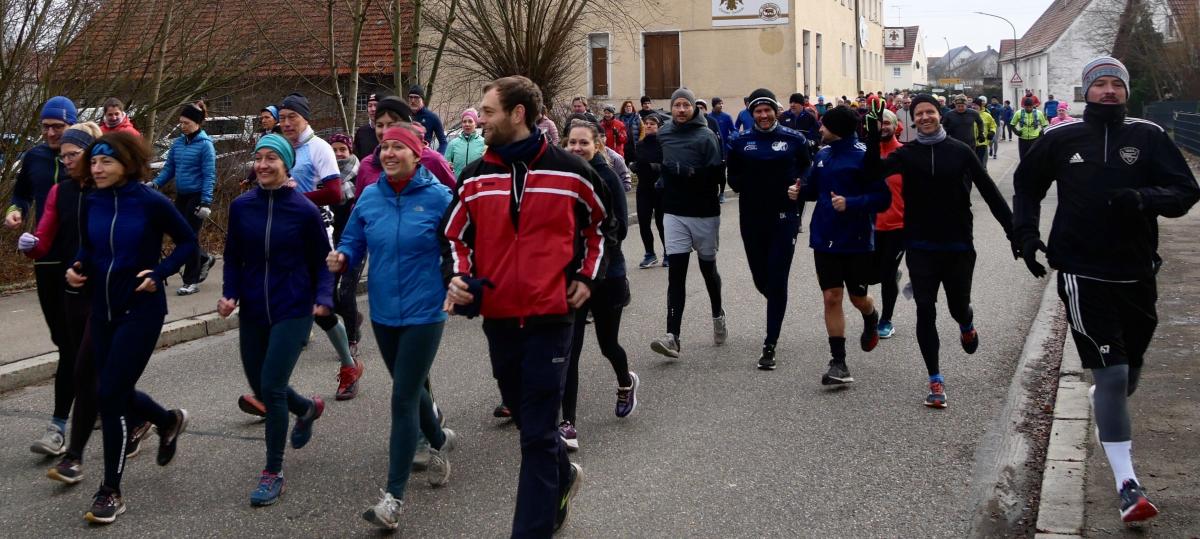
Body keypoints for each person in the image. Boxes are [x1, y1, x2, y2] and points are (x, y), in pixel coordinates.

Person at [1012, 56, 1200, 524]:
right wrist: (1027, 236)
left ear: (1127, 91)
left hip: (1137, 270)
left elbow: (1185, 191)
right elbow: (1026, 187)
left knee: (1128, 372)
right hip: (1080, 268)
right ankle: (1128, 487)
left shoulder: (1149, 137)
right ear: (1086, 91)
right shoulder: (1060, 138)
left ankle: (1110, 402)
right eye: (1101, 84)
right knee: (1112, 375)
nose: (1110, 91)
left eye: (1117, 84)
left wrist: (1144, 198)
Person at [443, 75, 614, 537]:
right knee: (526, 420)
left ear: (518, 114)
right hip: (498, 316)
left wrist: (586, 277)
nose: (480, 119)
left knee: (538, 432)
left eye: (489, 112)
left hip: (551, 315)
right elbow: (454, 236)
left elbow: (601, 229)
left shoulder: (573, 172)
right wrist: (459, 278)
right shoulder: (476, 177)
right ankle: (562, 476)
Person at [328, 126, 457, 529]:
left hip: (425, 310)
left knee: (401, 398)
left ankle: (393, 500)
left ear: (417, 155)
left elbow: (457, 247)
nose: (388, 153)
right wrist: (343, 257)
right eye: (384, 147)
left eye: (398, 147)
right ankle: (439, 440)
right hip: (384, 311)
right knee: (413, 388)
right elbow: (353, 240)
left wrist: (457, 281)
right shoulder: (370, 196)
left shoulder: (439, 198)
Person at [67, 131, 194, 524]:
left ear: (126, 163)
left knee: (110, 395)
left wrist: (160, 272)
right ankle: (166, 419)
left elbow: (189, 243)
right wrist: (77, 267)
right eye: (94, 161)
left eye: (106, 161)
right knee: (111, 389)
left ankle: (110, 491)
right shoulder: (93, 200)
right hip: (102, 310)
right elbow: (89, 248)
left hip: (141, 310)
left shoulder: (151, 202)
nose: (97, 168)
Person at [22, 122, 152, 483]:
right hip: (74, 290)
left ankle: (76, 452)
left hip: (111, 294)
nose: (66, 161)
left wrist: (153, 273)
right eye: (62, 156)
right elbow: (50, 239)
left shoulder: (116, 192)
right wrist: (33, 246)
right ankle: (152, 419)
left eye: (73, 155)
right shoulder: (62, 192)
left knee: (91, 373)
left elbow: (151, 241)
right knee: (89, 370)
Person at [871, 94, 1016, 408]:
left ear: (940, 115)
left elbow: (989, 191)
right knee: (925, 308)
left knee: (957, 306)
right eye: (919, 113)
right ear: (913, 120)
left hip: (958, 244)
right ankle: (935, 380)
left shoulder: (961, 152)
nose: (925, 117)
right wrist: (871, 136)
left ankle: (966, 323)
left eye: (930, 112)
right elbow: (871, 174)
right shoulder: (907, 155)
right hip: (920, 245)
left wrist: (1014, 230)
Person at [219, 133, 331, 506]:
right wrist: (230, 293)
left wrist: (323, 298)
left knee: (271, 382)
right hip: (253, 307)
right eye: (259, 158)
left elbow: (322, 262)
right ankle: (307, 408)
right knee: (264, 385)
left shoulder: (303, 210)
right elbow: (232, 256)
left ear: (286, 165)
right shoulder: (241, 207)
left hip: (294, 307)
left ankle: (273, 470)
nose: (263, 165)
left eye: (272, 159)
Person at [791, 105, 889, 384]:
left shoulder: (864, 157)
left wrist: (852, 203)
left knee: (858, 299)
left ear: (836, 129)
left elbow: (882, 200)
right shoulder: (821, 155)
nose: (819, 129)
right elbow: (812, 191)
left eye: (824, 125)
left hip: (856, 241)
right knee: (831, 297)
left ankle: (871, 316)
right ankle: (839, 363)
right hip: (824, 238)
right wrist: (797, 191)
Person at [558, 119, 639, 452]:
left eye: (583, 143)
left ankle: (625, 381)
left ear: (598, 146)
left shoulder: (606, 179)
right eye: (571, 143)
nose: (577, 149)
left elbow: (617, 231)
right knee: (569, 351)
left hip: (606, 275)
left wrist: (589, 255)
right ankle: (568, 423)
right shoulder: (562, 180)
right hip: (570, 277)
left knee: (608, 344)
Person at [274, 93, 362, 398]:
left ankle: (349, 366)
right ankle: (271, 388)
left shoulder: (319, 148)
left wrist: (294, 198)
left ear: (305, 118)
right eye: (282, 117)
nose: (285, 123)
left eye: (291, 117)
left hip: (314, 233)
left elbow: (334, 193)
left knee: (319, 310)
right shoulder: (282, 147)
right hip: (282, 236)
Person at [7, 96, 78, 456]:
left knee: (74, 345)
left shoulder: (84, 160)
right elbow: (20, 193)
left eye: (58, 127)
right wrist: (16, 211)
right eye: (46, 127)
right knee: (63, 340)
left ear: (72, 126)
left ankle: (59, 426)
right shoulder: (34, 157)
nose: (51, 133)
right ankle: (132, 412)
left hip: (81, 262)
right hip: (45, 258)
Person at [726, 89, 811, 370]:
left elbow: (808, 170)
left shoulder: (793, 139)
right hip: (751, 217)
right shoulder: (740, 141)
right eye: (758, 112)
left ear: (776, 111)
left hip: (784, 217)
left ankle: (770, 343)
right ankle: (775, 299)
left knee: (777, 279)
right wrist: (746, 183)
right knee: (761, 279)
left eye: (768, 110)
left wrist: (799, 186)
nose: (763, 116)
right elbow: (733, 176)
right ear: (752, 114)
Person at [648, 88, 726, 359]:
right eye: (677, 105)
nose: (681, 110)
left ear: (694, 108)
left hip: (704, 211)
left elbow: (717, 175)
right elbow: (659, 158)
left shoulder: (706, 136)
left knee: (708, 270)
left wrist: (690, 172)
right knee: (676, 273)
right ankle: (673, 337)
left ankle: (718, 313)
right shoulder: (664, 132)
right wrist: (660, 177)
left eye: (685, 105)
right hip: (674, 211)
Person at [150, 101, 217, 296]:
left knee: (190, 237)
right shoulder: (178, 143)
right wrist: (156, 184)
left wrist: (206, 202)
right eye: (181, 122)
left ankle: (191, 280)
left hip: (197, 197)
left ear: (196, 123)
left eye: (186, 122)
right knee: (180, 236)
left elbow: (209, 175)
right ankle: (203, 259)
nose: (182, 126)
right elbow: (169, 168)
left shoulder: (206, 146)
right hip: (182, 195)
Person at [870, 110, 905, 340]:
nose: (882, 127)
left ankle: (885, 320)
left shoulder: (905, 154)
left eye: (886, 123)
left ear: (895, 126)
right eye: (878, 123)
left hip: (897, 226)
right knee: (867, 274)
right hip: (869, 226)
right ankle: (891, 275)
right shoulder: (867, 154)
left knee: (886, 274)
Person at [634, 114, 667, 269]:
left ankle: (668, 253)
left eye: (652, 124)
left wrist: (654, 167)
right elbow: (640, 162)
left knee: (662, 223)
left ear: (659, 126)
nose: (648, 126)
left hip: (660, 189)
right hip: (644, 189)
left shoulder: (664, 144)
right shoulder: (640, 144)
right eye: (646, 123)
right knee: (643, 223)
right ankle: (649, 254)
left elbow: (666, 165)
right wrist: (636, 166)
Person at [445, 108, 485, 179]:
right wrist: (448, 166)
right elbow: (445, 166)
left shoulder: (483, 143)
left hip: (476, 185)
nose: (467, 124)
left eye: (470, 121)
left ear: (475, 124)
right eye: (464, 121)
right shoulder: (453, 144)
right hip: (458, 185)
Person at [407, 85, 448, 154]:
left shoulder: (432, 117)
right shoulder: (404, 115)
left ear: (422, 100)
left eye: (416, 97)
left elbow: (443, 142)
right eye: (410, 97)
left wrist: (437, 158)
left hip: (424, 158)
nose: (413, 101)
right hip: (406, 159)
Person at [971, 97, 998, 168]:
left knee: (981, 163)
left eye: (976, 105)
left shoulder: (987, 115)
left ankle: (982, 176)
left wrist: (992, 132)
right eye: (972, 105)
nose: (973, 106)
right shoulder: (968, 115)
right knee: (972, 163)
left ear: (980, 106)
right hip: (970, 143)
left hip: (982, 142)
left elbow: (993, 125)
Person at [354, 93, 382, 159]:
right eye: (370, 106)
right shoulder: (361, 132)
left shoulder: (390, 131)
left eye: (376, 105)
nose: (373, 109)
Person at [617, 100, 641, 165]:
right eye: (627, 106)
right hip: (624, 144)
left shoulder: (637, 117)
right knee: (625, 162)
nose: (628, 108)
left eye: (630, 106)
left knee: (635, 162)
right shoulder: (620, 118)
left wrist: (640, 141)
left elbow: (641, 130)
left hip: (634, 143)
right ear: (624, 108)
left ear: (632, 107)